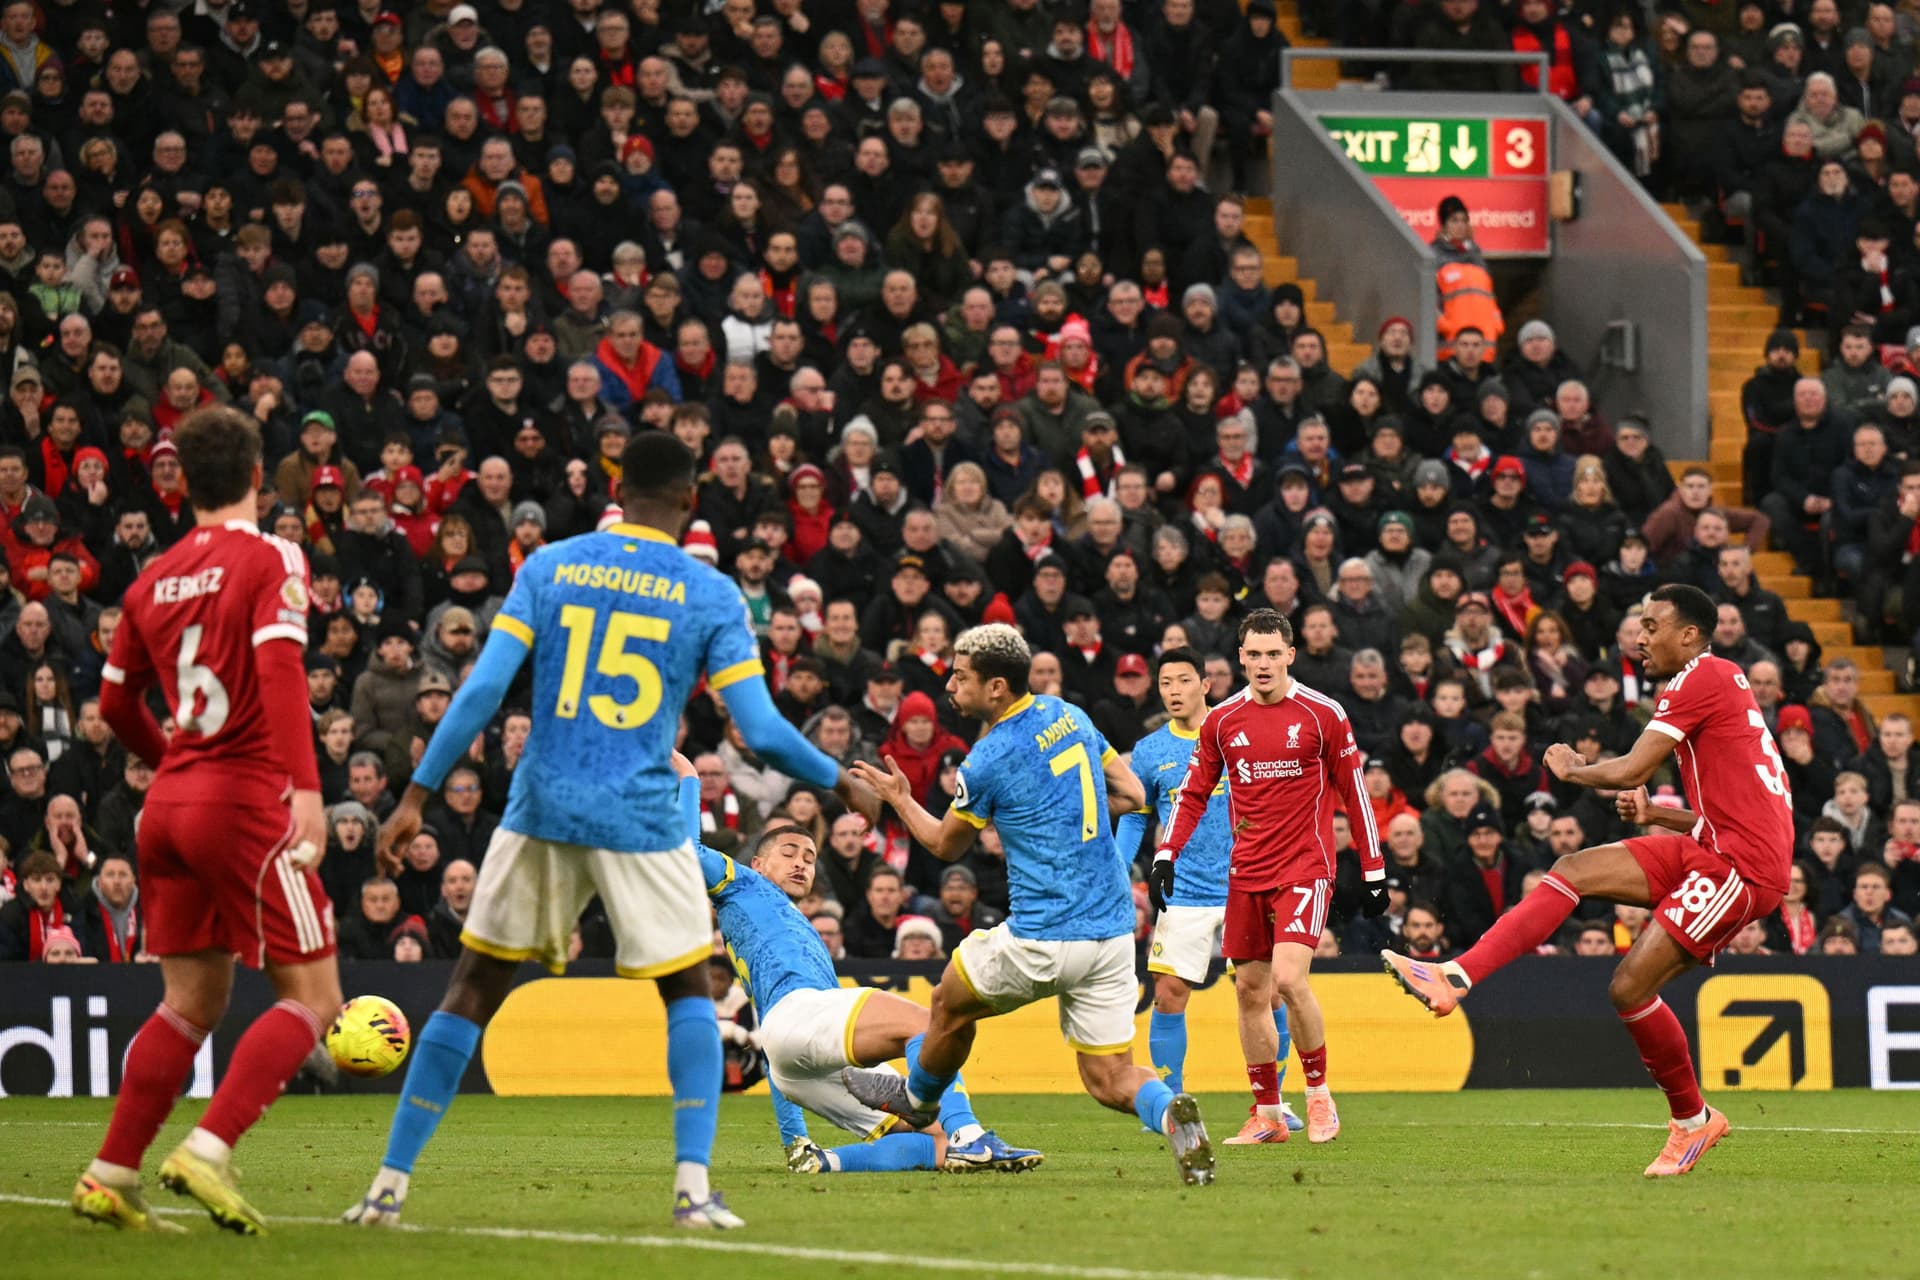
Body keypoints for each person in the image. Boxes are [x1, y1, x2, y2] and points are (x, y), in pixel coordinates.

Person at [344, 432, 877, 1231]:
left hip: (543, 806)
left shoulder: (550, 565)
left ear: (618, 489)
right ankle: (693, 1190)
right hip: (641, 817)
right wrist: (842, 781)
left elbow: (483, 689)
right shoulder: (709, 592)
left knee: (472, 990)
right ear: (692, 502)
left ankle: (387, 1185)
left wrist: (416, 795)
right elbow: (761, 729)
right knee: (686, 992)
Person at [1383, 584, 1793, 1178]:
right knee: (1572, 869)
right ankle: (1454, 974)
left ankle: (1692, 1121)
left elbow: (1630, 768)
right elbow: (1735, 808)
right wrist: (1657, 817)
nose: (1640, 637)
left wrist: (1574, 770)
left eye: (1653, 626)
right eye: (1639, 625)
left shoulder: (1701, 677)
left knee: (1628, 988)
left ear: (1689, 636)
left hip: (1739, 867)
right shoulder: (1720, 684)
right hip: (1712, 845)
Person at [72, 407, 339, 1235]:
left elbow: (114, 702)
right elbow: (281, 669)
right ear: (259, 474)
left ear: (182, 483)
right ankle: (209, 1148)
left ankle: (111, 1174)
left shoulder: (151, 578)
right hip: (243, 801)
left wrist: (171, 760)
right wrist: (306, 790)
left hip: (169, 806)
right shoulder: (270, 557)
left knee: (190, 1000)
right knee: (317, 996)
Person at [842, 622, 1215, 1186]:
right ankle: (1170, 1111)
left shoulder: (988, 759)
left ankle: (918, 1102)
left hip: (1044, 933)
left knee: (948, 1000)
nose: (949, 685)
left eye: (961, 677)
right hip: (1113, 933)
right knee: (1109, 1077)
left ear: (995, 687)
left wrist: (899, 798)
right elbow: (1136, 794)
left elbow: (945, 844)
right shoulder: (1070, 714)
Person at [675, 756, 1041, 1175]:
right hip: (801, 1020)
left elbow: (775, 1033)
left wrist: (794, 1136)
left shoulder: (782, 925)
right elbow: (689, 850)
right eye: (789, 853)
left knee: (933, 1142)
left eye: (810, 858)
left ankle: (826, 1162)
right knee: (935, 1026)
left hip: (795, 1054)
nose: (801, 863)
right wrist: (688, 778)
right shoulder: (743, 882)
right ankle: (969, 1134)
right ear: (757, 864)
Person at [1149, 609, 1386, 1146]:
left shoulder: (1323, 714)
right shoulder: (1222, 721)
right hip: (1247, 870)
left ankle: (1320, 1097)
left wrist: (1373, 869)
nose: (1262, 664)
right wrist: (1167, 854)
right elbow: (1191, 794)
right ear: (1239, 658)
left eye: (1272, 654)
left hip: (1304, 865)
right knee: (1250, 990)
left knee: (1287, 979)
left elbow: (1355, 792)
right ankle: (1268, 1116)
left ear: (1290, 656)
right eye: (1253, 654)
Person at [1116, 647, 1301, 1133]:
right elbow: (1137, 814)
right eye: (1165, 683)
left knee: (1269, 993)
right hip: (1185, 889)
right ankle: (1170, 1104)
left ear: (1206, 684)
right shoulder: (1152, 751)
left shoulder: (1237, 729)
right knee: (1170, 993)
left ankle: (1273, 1105)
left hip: (1251, 881)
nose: (1173, 691)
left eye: (1182, 681)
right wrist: (1119, 868)